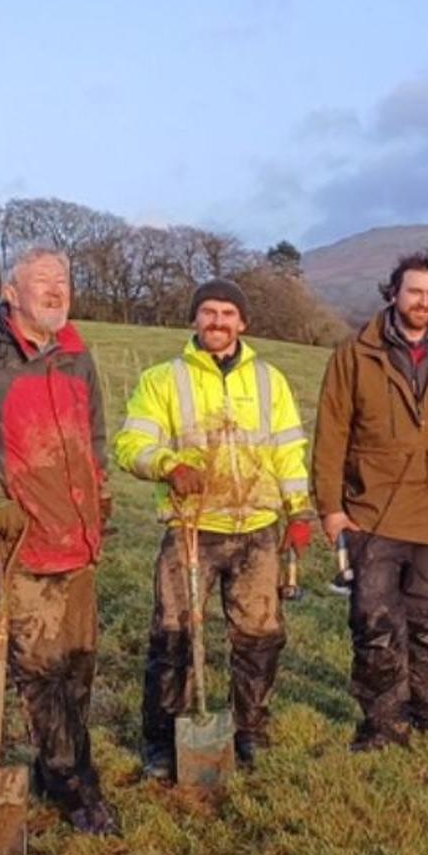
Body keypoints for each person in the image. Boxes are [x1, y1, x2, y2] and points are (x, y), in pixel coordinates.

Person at [115, 278, 314, 778]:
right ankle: (162, 741)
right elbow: (129, 444)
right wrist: (166, 465)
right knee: (173, 638)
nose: (218, 322)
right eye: (208, 312)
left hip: (259, 530)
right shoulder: (164, 379)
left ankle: (249, 730)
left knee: (260, 638)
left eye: (228, 313)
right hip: (191, 528)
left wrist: (299, 512)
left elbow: (288, 452)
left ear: (242, 322)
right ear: (195, 320)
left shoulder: (270, 381)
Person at [312, 249, 428, 751]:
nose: (423, 301)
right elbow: (329, 434)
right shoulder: (354, 356)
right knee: (375, 628)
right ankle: (382, 725)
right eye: (414, 291)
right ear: (393, 292)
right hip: (371, 517)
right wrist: (330, 509)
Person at [0, 248, 119, 834]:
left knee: (79, 668)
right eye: (42, 282)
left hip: (76, 543)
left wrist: (99, 491)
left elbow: (94, 434)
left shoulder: (77, 358)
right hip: (17, 547)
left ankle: (58, 766)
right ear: (10, 292)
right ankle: (76, 787)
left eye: (64, 281)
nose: (56, 291)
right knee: (45, 673)